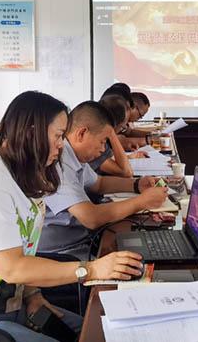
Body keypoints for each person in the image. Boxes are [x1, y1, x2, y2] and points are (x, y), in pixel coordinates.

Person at [0, 91, 144, 342]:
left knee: (100, 332)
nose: (62, 144)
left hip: (10, 306)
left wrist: (32, 294)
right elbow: (13, 268)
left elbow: (22, 247)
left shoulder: (24, 173)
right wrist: (92, 269)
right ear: (32, 133)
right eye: (58, 135)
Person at [38, 101, 168, 260]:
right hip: (60, 254)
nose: (102, 149)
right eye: (102, 141)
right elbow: (91, 218)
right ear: (81, 134)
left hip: (80, 241)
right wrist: (142, 202)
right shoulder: (59, 162)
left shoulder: (75, 157)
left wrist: (136, 185)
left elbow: (99, 183)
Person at [88, 95, 136, 177]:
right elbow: (126, 172)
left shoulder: (101, 140)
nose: (121, 130)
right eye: (122, 127)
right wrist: (111, 132)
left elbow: (110, 159)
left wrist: (129, 157)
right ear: (114, 124)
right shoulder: (94, 143)